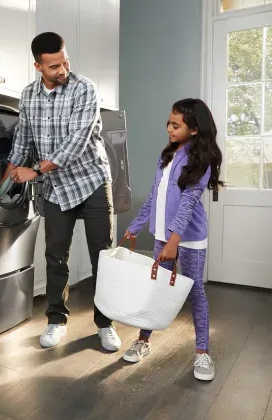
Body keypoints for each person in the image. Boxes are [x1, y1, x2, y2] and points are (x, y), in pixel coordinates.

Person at [0, 32, 121, 351]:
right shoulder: (29, 96)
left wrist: (34, 170)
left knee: (102, 255)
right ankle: (56, 321)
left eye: (64, 61)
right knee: (55, 256)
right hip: (55, 188)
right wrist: (7, 177)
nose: (62, 69)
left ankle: (105, 324)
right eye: (53, 66)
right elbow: (23, 141)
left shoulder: (85, 89)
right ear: (38, 66)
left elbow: (76, 143)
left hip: (91, 181)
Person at [123, 98, 223, 381]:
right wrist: (137, 224)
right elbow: (155, 195)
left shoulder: (200, 160)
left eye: (175, 124)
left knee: (194, 294)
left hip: (189, 237)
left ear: (193, 129)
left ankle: (202, 352)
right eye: (168, 122)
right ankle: (144, 340)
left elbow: (189, 202)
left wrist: (173, 242)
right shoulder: (166, 155)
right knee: (157, 289)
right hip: (162, 234)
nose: (168, 128)